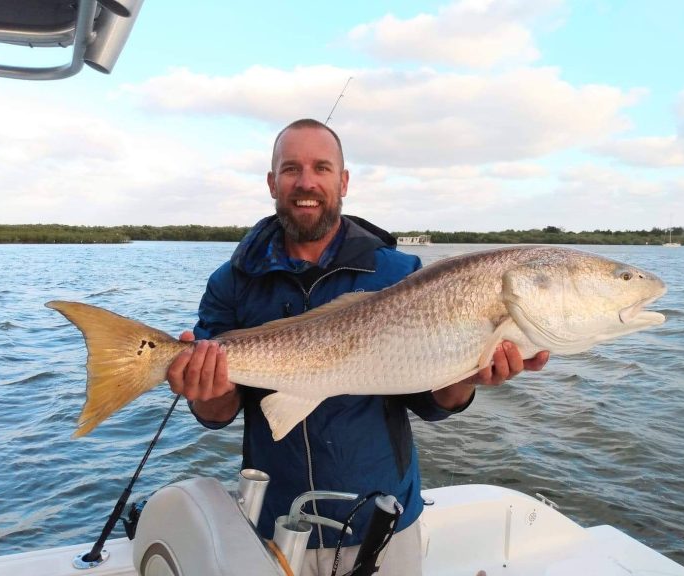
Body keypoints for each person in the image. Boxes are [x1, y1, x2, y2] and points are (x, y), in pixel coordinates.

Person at [167, 118, 549, 576]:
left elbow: (430, 401)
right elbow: (217, 414)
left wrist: (468, 375)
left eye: (322, 168)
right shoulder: (232, 281)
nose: (306, 182)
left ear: (343, 181)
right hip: (276, 522)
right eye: (291, 169)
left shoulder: (398, 273)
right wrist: (206, 388)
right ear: (272, 182)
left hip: (382, 521)